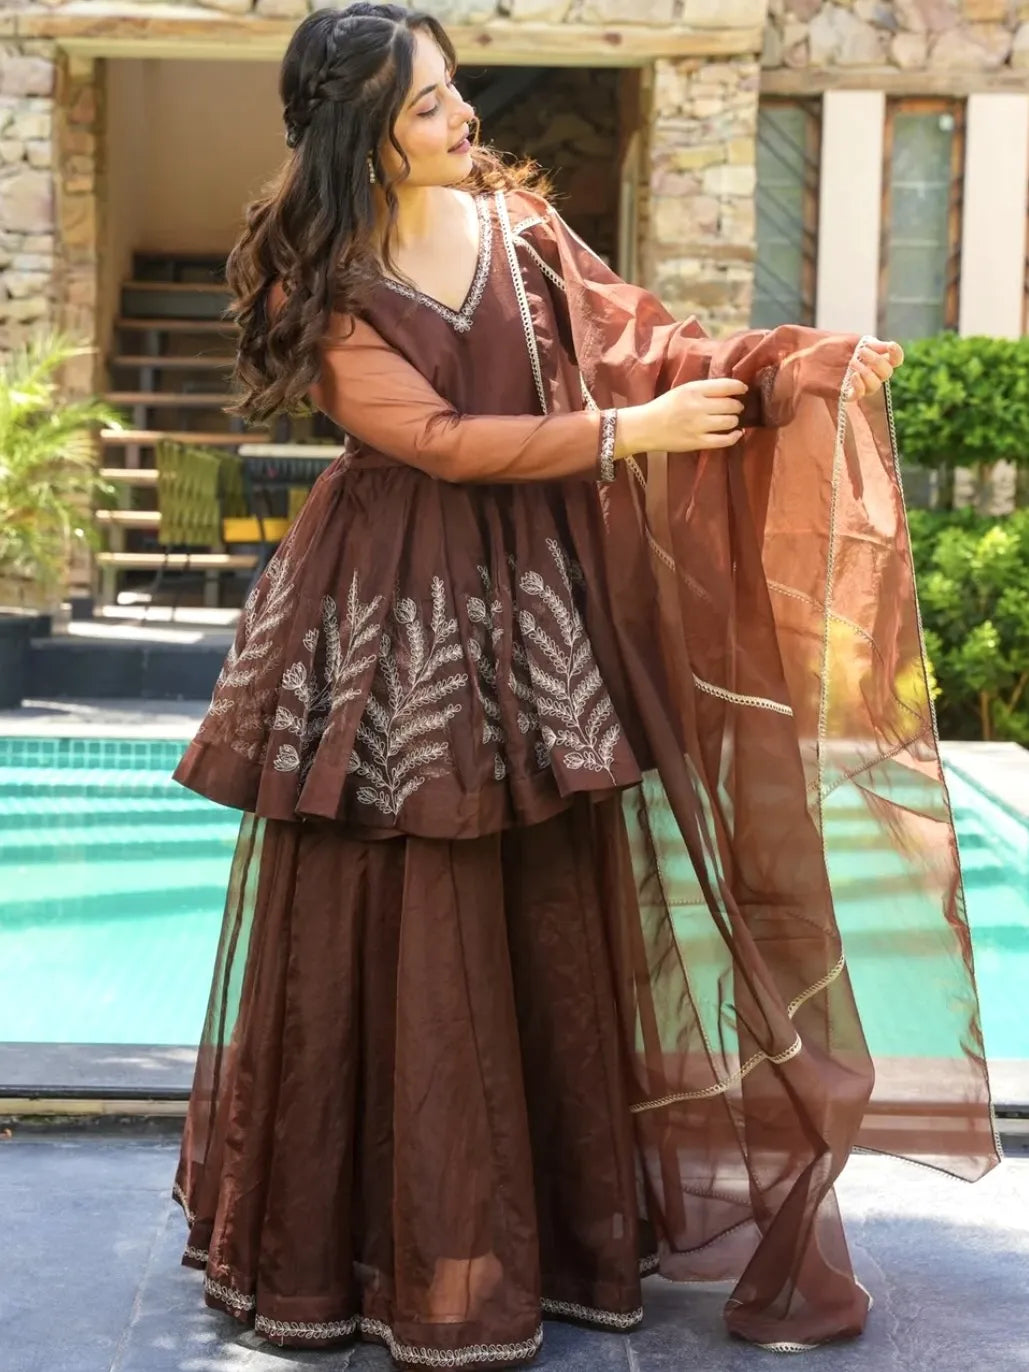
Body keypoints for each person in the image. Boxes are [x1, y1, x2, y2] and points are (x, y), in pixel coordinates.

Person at [170, 4, 1000, 1367]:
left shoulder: (523, 231)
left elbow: (646, 349)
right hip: (391, 621)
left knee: (544, 907)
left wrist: (787, 370)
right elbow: (436, 438)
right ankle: (377, 1250)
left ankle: (548, 1242)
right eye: (428, 103)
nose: (463, 116)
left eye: (454, 88)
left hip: (540, 611)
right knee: (399, 912)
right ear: (358, 131)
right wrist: (629, 433)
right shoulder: (312, 275)